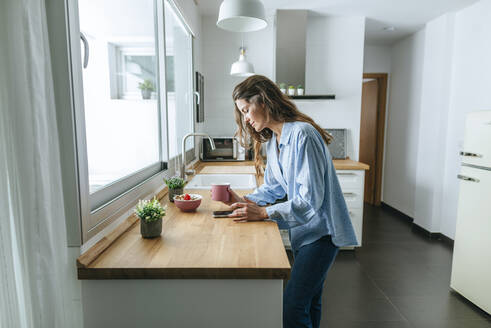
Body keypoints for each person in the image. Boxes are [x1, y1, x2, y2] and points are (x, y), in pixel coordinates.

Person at [220, 75, 358, 328]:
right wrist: (245, 200)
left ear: (262, 99)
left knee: (292, 307)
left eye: (246, 110)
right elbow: (274, 187)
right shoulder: (275, 140)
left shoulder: (302, 134)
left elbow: (310, 200)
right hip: (303, 231)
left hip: (323, 233)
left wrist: (263, 214)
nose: (246, 118)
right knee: (310, 302)